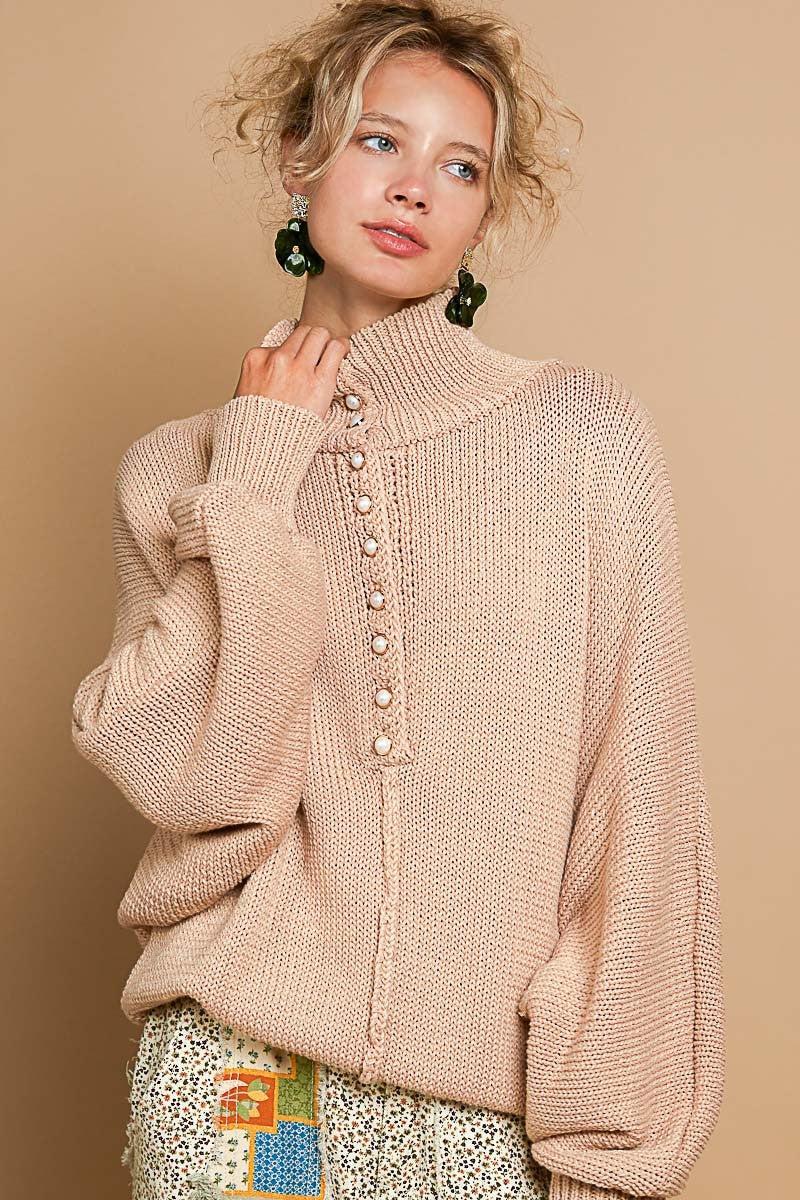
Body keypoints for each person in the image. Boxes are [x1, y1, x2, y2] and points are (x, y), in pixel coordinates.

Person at [70, 2, 727, 1198]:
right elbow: (197, 784)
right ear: (299, 157)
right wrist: (256, 473)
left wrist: (611, 1149)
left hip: (486, 1106)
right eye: (379, 141)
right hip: (243, 1077)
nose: (413, 187)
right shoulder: (178, 471)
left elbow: (636, 807)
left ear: (485, 213)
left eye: (459, 166)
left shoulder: (579, 439)